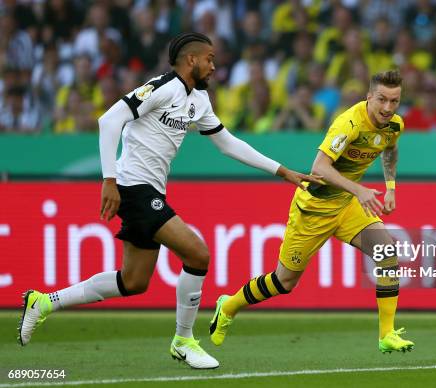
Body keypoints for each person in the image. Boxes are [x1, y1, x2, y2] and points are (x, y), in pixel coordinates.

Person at [17, 32, 318, 369]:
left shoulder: (199, 100)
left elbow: (228, 144)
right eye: (209, 59)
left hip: (152, 191)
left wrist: (283, 171)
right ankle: (184, 340)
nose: (214, 66)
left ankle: (43, 302)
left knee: (133, 281)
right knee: (198, 253)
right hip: (134, 188)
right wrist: (109, 180)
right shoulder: (161, 87)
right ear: (192, 60)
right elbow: (109, 120)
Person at [209, 70, 415, 354]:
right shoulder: (348, 124)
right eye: (382, 99)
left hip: (346, 205)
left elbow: (390, 150)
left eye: (395, 101)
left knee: (387, 251)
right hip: (314, 210)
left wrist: (390, 187)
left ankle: (386, 334)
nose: (388, 108)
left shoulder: (394, 125)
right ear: (369, 97)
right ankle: (229, 305)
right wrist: (359, 190)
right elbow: (319, 168)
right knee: (284, 281)